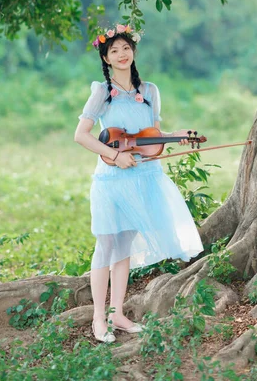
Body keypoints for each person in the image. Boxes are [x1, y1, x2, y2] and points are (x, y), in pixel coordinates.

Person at [74, 23, 204, 344]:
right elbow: (81, 135)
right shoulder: (102, 91)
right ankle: (98, 317)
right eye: (114, 50)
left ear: (134, 52)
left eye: (126, 48)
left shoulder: (150, 91)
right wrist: (115, 156)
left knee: (124, 248)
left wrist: (178, 137)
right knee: (105, 245)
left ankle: (118, 313)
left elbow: (153, 137)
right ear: (105, 57)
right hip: (111, 179)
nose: (121, 54)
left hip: (143, 178)